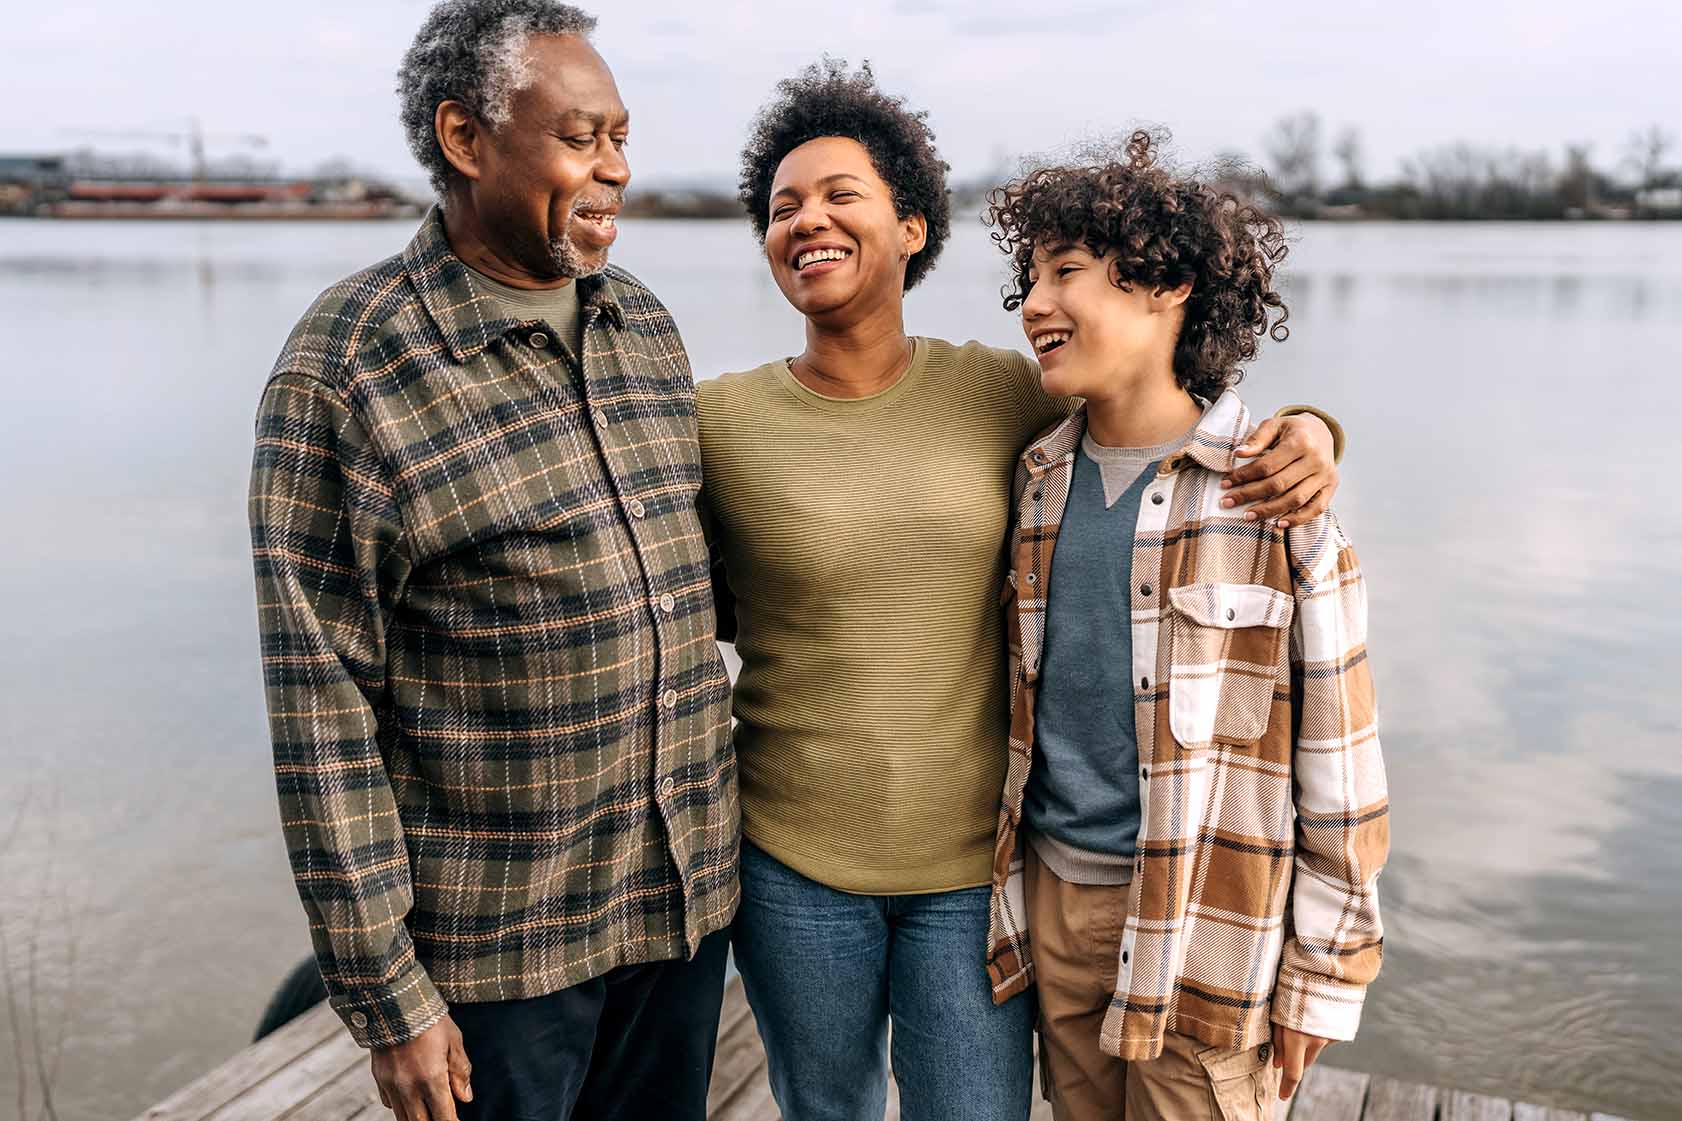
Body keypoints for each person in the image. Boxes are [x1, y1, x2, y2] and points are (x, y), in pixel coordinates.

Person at [697, 63, 1345, 1121]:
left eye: (838, 194)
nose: (804, 219)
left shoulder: (1004, 391)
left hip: (978, 869)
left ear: (911, 227)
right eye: (780, 207)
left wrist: (1314, 431)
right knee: (826, 1108)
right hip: (791, 861)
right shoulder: (716, 419)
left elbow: (1160, 417)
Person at [247, 3, 737, 1119]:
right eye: (580, 137)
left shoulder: (644, 329)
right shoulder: (348, 367)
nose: (615, 169)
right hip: (495, 961)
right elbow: (320, 706)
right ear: (466, 140)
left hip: (681, 911)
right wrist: (387, 997)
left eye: (621, 136)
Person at [980, 132, 1388, 1121]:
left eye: (1065, 271)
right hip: (1051, 901)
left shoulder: (1273, 505)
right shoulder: (1031, 481)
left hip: (1211, 930)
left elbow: (1342, 767)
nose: (1034, 302)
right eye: (1027, 276)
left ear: (1165, 285)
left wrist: (1325, 975)